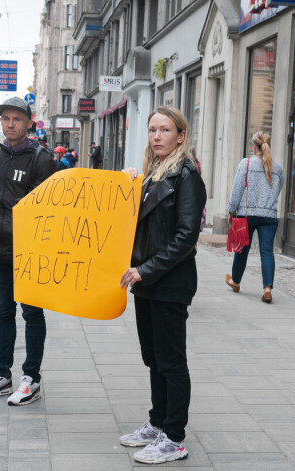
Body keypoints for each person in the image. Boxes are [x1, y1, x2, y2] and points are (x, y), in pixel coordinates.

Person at [119, 106, 206, 465]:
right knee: (153, 358)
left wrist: (147, 270)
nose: (157, 136)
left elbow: (187, 237)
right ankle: (157, 423)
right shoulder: (152, 175)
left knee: (171, 361)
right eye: (152, 130)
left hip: (169, 282)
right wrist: (124, 187)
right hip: (147, 281)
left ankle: (174, 437)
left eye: (165, 130)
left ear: (180, 136)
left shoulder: (187, 176)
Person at [0, 96, 55, 406]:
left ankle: (31, 378)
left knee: (32, 313)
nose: (10, 124)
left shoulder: (41, 159)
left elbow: (50, 209)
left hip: (29, 252)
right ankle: (2, 373)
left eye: (16, 119)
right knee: (4, 313)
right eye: (5, 119)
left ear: (28, 122)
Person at [225, 131, 284, 303]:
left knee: (242, 248)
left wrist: (231, 211)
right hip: (269, 215)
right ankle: (267, 289)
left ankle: (235, 281)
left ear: (254, 146)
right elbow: (278, 189)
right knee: (267, 251)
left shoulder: (246, 164)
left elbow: (237, 189)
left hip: (247, 214)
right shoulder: (277, 168)